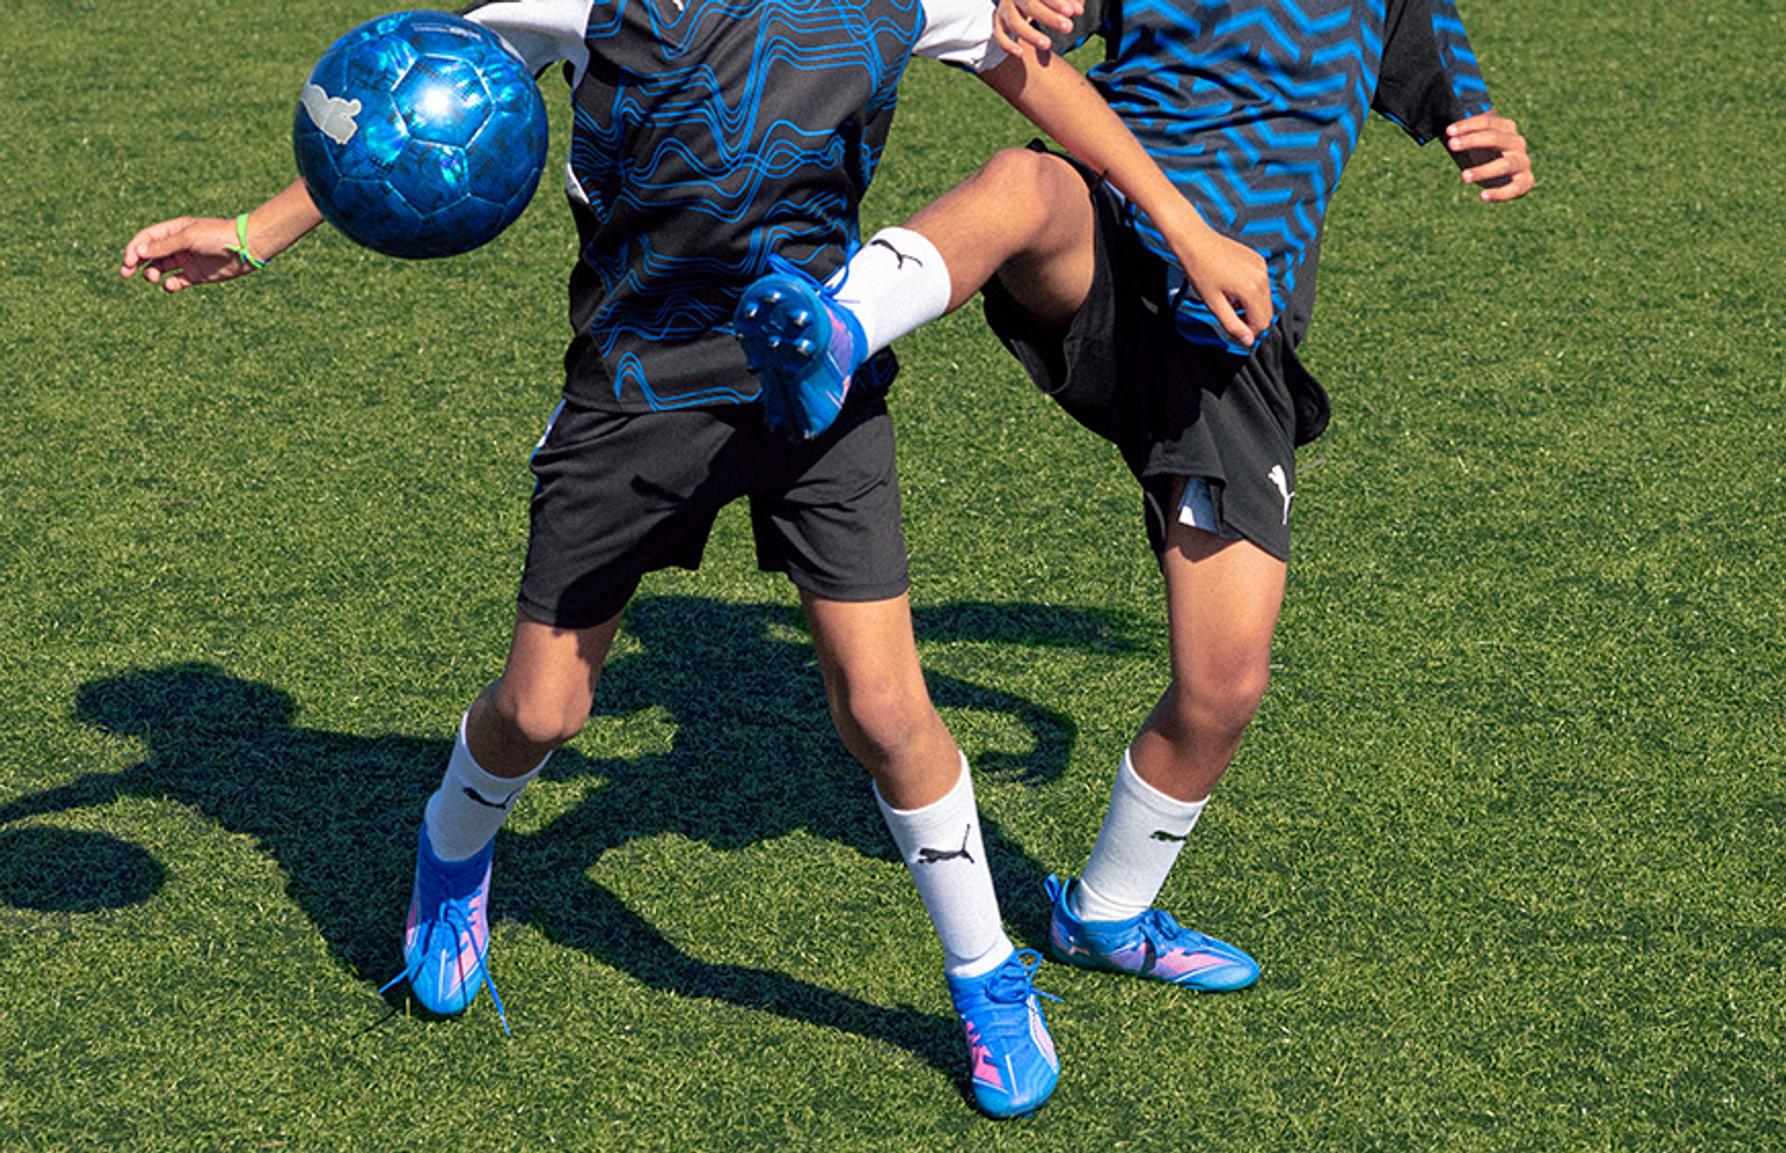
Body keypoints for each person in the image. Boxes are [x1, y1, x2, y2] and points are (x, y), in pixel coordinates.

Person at [118, 0, 1269, 1119]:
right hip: (632, 402)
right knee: (542, 709)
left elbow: (1050, 89)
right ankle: (452, 853)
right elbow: (395, 108)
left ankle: (985, 977)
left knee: (886, 707)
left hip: (815, 386)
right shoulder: (582, 5)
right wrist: (248, 235)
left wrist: (1186, 229)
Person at [733, 0, 1533, 993]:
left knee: (1223, 686)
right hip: (1110, 240)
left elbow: (1449, 85)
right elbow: (1040, 25)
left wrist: (1482, 131)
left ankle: (1107, 913)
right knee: (1026, 183)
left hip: (1230, 340)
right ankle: (836, 332)